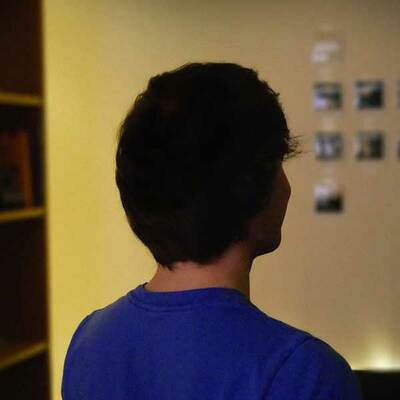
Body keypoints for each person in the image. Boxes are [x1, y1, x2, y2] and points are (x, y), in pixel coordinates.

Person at [61, 62, 363, 399]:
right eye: (279, 163)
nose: (287, 186)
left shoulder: (88, 343)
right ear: (250, 184)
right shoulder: (304, 374)